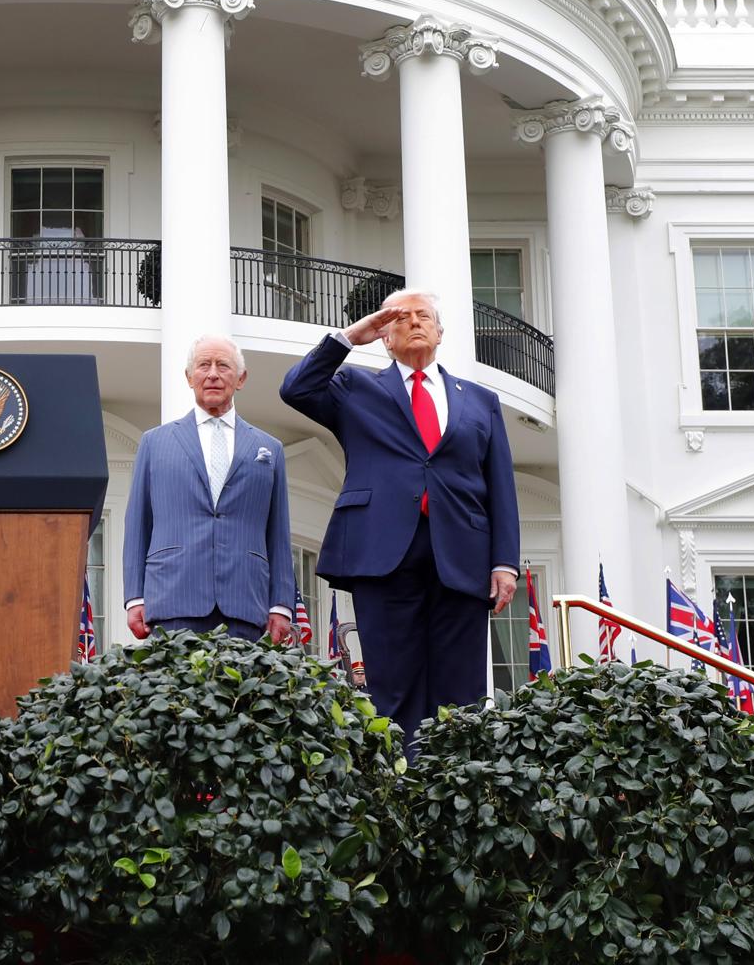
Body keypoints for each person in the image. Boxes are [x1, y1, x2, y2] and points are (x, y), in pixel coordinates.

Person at [279, 289, 520, 747]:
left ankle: (453, 786)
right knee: (393, 683)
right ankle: (404, 786)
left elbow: (500, 485)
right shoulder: (356, 388)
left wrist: (504, 561)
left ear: (440, 332)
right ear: (385, 336)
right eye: (400, 318)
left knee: (462, 689)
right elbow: (296, 388)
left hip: (462, 556)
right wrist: (351, 337)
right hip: (383, 552)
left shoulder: (480, 401)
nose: (413, 323)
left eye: (423, 315)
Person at [122, 335, 296, 643]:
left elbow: (278, 531)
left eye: (223, 366)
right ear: (190, 378)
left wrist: (281, 603)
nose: (213, 374)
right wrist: (135, 597)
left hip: (245, 601)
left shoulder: (269, 449)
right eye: (204, 365)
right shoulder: (155, 442)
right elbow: (138, 523)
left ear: (240, 378)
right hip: (172, 598)